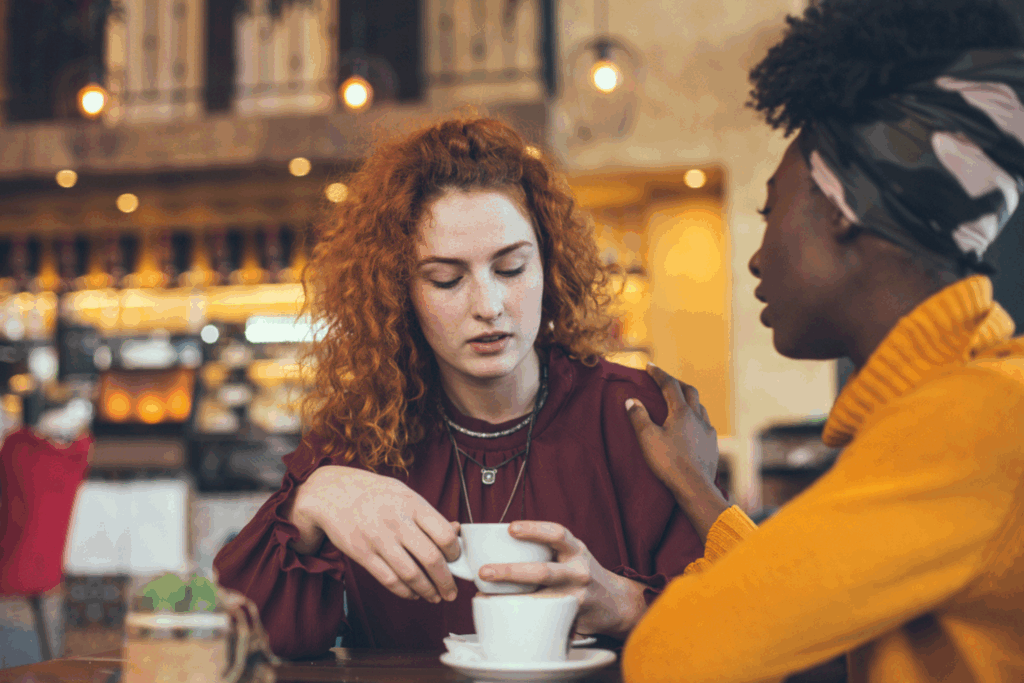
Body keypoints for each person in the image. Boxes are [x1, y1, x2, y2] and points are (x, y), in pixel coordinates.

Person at [620, 0, 1024, 681]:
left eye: (770, 207)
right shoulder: (968, 399)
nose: (756, 257)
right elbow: (805, 584)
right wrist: (698, 487)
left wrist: (635, 602)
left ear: (839, 211)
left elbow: (673, 655)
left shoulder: (970, 422)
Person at [213, 117, 706, 658]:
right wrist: (313, 501)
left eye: (512, 268)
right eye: (446, 279)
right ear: (401, 292)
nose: (488, 306)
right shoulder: (364, 434)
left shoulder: (635, 415)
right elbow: (247, 640)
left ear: (549, 265)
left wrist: (627, 603)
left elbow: (736, 630)